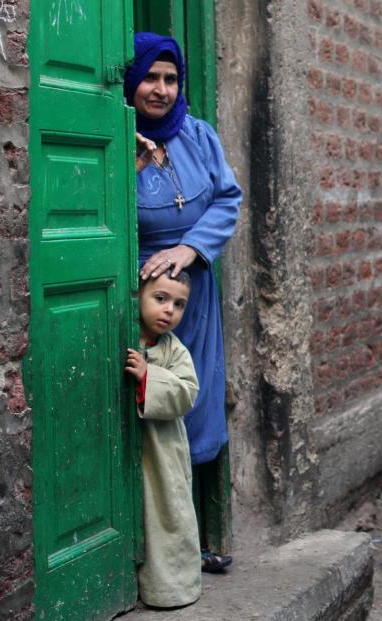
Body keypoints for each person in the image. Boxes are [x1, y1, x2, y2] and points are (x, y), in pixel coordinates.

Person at [124, 32, 241, 572]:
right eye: (151, 76)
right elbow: (94, 205)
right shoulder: (114, 136)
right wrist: (132, 170)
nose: (162, 90)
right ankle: (140, 548)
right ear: (131, 77)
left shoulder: (199, 136)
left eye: (171, 79)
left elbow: (227, 197)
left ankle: (186, 544)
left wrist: (190, 247)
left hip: (192, 295)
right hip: (140, 297)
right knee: (144, 416)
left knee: (191, 408)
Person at [125, 269, 201, 608]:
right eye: (160, 299)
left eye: (179, 304)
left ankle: (171, 588)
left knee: (166, 514)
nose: (169, 310)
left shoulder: (174, 350)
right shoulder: (122, 334)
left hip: (161, 451)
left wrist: (147, 376)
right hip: (125, 449)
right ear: (138, 295)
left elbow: (187, 392)